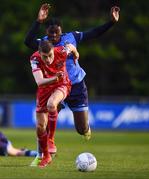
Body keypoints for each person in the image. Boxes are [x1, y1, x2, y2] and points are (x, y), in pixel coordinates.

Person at [24, 3, 120, 166]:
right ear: (46, 33)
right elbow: (27, 41)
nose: (54, 35)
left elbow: (94, 33)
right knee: (44, 119)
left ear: (62, 30)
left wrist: (111, 22)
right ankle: (43, 154)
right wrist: (38, 21)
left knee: (80, 128)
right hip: (55, 85)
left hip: (75, 85)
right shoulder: (44, 45)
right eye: (51, 33)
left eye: (57, 32)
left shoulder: (72, 38)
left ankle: (85, 129)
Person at [29, 40, 79, 168]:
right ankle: (46, 156)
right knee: (40, 127)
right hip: (44, 89)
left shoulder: (61, 51)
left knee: (52, 105)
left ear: (53, 51)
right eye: (44, 56)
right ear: (39, 53)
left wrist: (76, 53)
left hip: (62, 85)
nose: (48, 59)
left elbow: (71, 46)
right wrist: (54, 78)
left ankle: (51, 139)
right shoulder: (34, 59)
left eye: (50, 55)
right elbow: (39, 82)